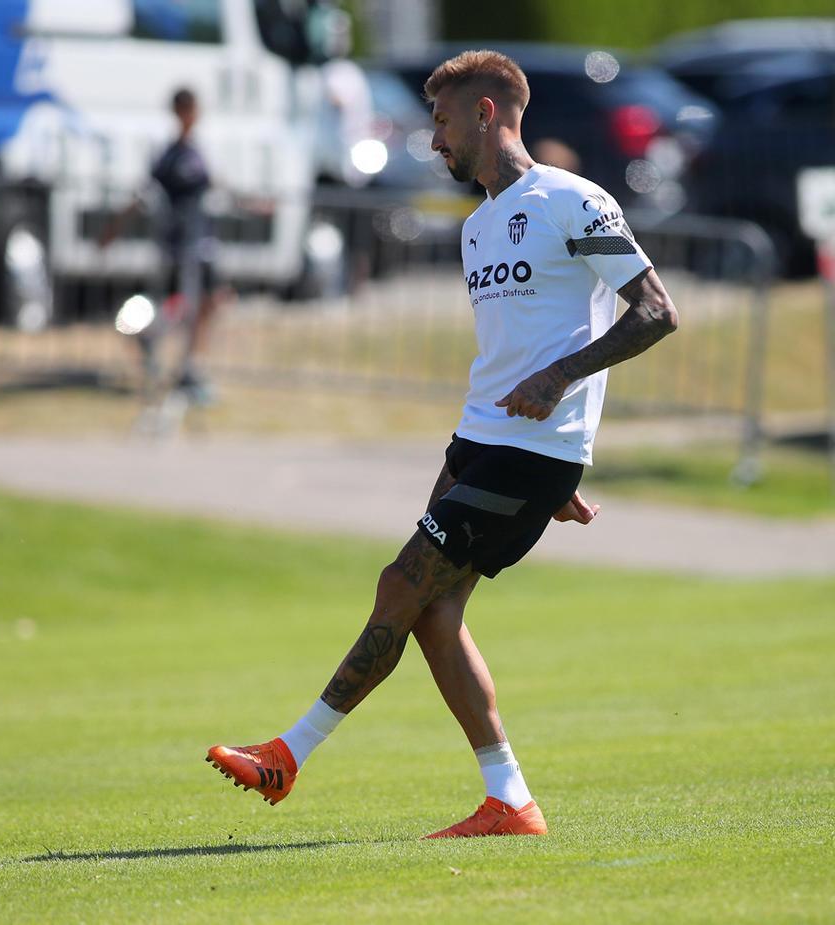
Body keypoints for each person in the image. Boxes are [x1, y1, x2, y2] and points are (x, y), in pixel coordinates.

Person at [207, 50, 678, 838]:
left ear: (487, 113)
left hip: (532, 449)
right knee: (431, 612)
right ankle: (510, 800)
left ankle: (289, 752)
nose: (434, 142)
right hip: (480, 440)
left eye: (443, 121)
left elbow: (656, 311)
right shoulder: (478, 227)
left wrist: (562, 398)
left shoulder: (572, 200)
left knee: (403, 580)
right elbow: (518, 343)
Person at [100, 87, 230, 405]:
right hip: (178, 246)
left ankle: (189, 367)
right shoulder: (169, 156)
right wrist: (113, 228)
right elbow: (142, 194)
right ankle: (143, 333)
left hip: (202, 242)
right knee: (175, 308)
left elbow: (218, 188)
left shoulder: (199, 150)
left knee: (210, 303)